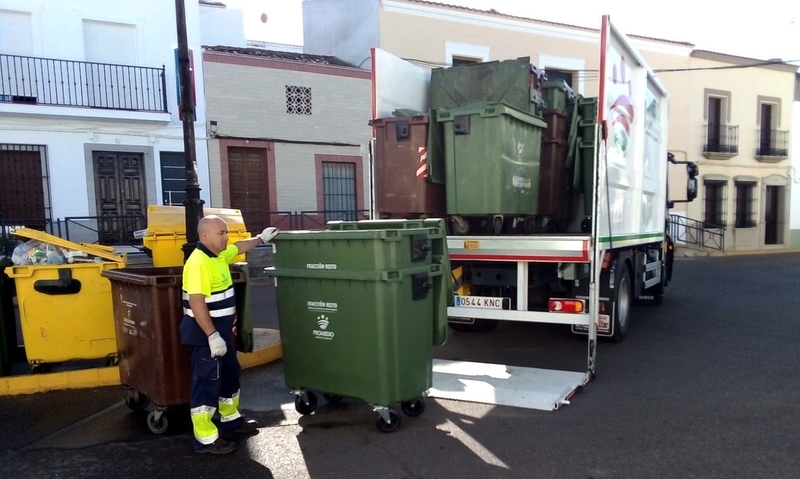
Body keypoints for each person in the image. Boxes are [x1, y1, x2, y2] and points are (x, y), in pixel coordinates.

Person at [180, 215, 279, 454]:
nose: (226, 237)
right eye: (221, 233)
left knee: (230, 376)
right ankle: (205, 439)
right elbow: (197, 303)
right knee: (207, 384)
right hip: (206, 337)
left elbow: (238, 247)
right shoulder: (198, 263)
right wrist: (212, 336)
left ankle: (230, 422)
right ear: (204, 236)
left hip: (223, 334)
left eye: (226, 232)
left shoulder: (217, 256)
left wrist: (261, 238)